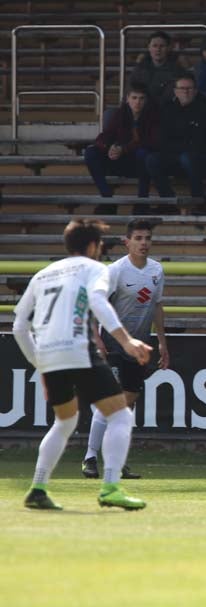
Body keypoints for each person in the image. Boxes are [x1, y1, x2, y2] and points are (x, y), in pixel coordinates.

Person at [13, 219, 151, 511]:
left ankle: (38, 488)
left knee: (65, 422)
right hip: (77, 349)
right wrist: (127, 341)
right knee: (121, 417)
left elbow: (18, 326)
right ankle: (111, 487)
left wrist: (38, 360)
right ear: (92, 246)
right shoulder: (95, 269)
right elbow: (98, 302)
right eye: (99, 245)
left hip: (49, 355)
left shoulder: (43, 274)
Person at [82, 219, 168, 481]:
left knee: (125, 406)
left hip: (140, 344)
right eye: (139, 238)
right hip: (115, 344)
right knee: (114, 401)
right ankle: (90, 458)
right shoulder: (116, 271)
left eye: (147, 238)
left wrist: (162, 341)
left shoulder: (156, 270)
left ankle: (114, 461)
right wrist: (97, 337)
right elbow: (96, 304)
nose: (144, 243)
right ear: (126, 241)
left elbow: (156, 306)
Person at [145, 73, 206, 216]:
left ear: (195, 91)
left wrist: (180, 146)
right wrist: (181, 145)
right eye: (182, 88)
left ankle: (199, 202)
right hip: (178, 157)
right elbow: (163, 140)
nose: (186, 91)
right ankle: (168, 202)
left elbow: (204, 142)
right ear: (175, 91)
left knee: (187, 157)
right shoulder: (167, 109)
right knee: (152, 159)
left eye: (189, 88)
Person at [84, 82, 159, 216]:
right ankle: (107, 199)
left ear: (147, 101)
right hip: (120, 159)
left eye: (142, 98)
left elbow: (151, 142)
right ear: (127, 99)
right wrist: (109, 147)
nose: (138, 102)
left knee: (144, 154)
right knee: (91, 152)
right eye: (134, 98)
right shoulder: (120, 114)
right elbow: (105, 135)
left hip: (141, 163)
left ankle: (142, 201)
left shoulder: (154, 116)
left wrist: (123, 149)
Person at [128, 31, 188, 108]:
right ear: (149, 48)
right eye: (154, 46)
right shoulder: (140, 69)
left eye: (162, 46)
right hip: (142, 111)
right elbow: (129, 91)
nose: (158, 49)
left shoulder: (177, 71)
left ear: (168, 48)